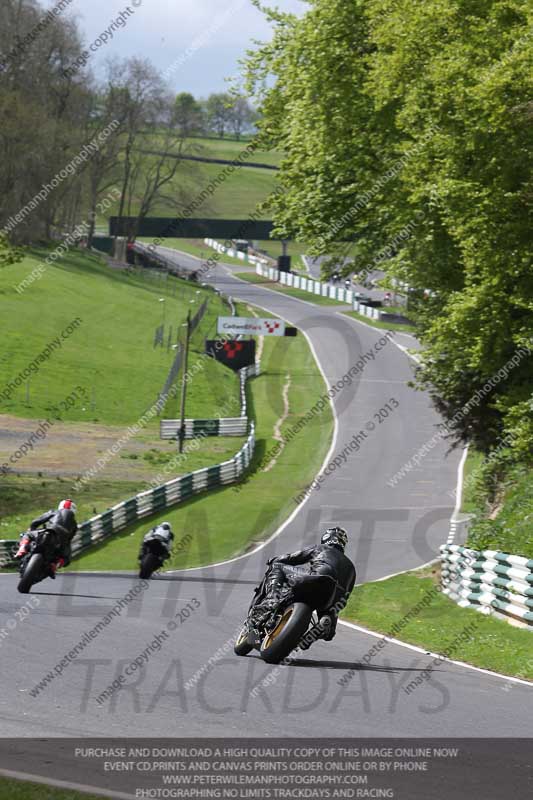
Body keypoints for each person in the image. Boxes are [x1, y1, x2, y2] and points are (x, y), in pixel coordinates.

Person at [261, 527, 356, 644]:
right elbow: (345, 597)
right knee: (331, 610)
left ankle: (271, 599)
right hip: (332, 598)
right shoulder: (352, 568)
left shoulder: (321, 548)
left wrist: (274, 560)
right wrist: (331, 617)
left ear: (326, 538)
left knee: (278, 566)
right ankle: (325, 626)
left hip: (315, 579)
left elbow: (293, 558)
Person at [15, 499, 78, 578]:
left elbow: (36, 521)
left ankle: (22, 548)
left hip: (49, 531)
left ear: (60, 506)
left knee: (28, 535)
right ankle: (56, 565)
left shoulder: (54, 512)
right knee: (67, 558)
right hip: (61, 540)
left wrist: (32, 528)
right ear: (74, 510)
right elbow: (70, 538)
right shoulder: (74, 524)